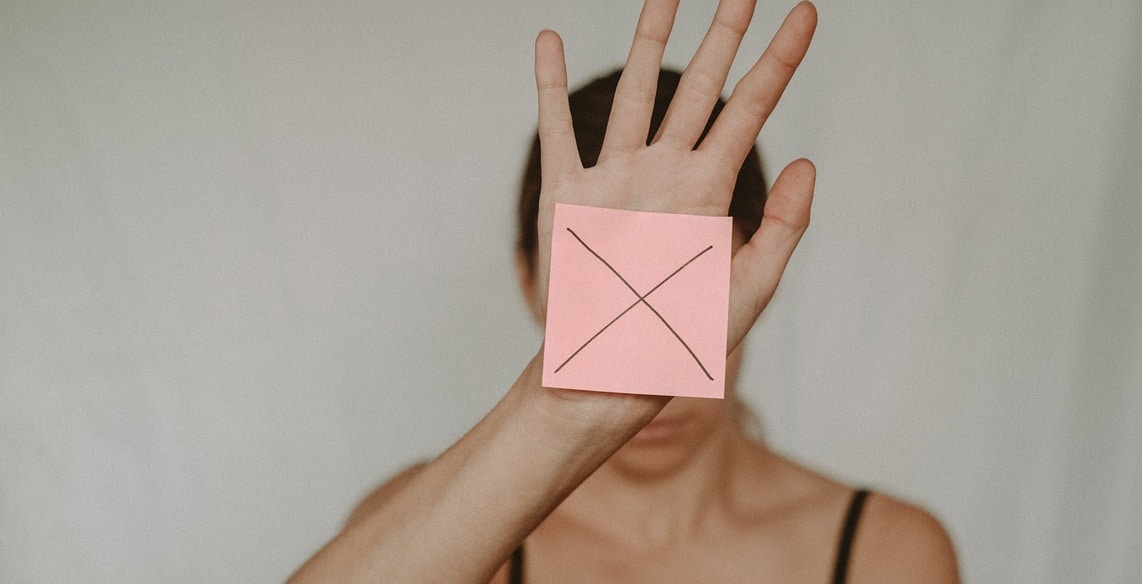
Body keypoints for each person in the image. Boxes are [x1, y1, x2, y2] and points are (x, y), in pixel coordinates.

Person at [290, 1, 958, 582]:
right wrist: (556, 412)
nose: (650, 366)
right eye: (601, 283)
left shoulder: (887, 552)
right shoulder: (437, 532)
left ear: (756, 283)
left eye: (684, 283)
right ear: (530, 281)